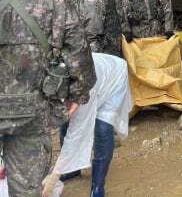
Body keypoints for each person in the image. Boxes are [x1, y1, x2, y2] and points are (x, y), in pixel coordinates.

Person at [0, 0, 96, 196]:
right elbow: (79, 51)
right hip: (31, 112)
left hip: (28, 110)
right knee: (28, 189)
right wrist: (78, 94)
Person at [42, 53, 132, 197]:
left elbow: (75, 136)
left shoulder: (83, 88)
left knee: (102, 129)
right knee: (66, 120)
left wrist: (53, 178)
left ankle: (98, 185)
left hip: (114, 77)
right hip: (92, 73)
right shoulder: (51, 79)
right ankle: (71, 169)